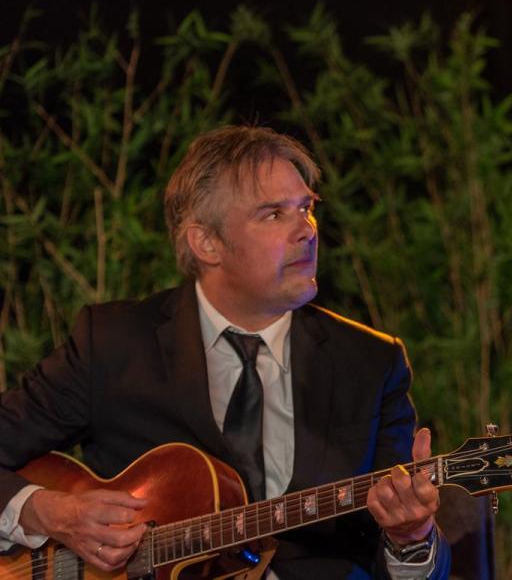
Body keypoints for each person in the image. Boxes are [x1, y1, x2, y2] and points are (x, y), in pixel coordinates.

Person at [0, 125, 450, 580]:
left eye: (306, 208)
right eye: (274, 214)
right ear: (206, 243)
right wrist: (46, 512)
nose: (307, 231)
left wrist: (412, 538)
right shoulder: (113, 343)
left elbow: (396, 561)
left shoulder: (371, 362)